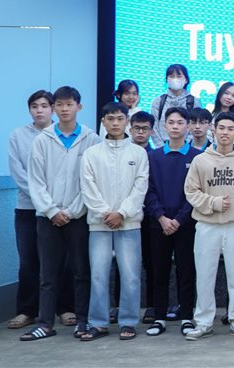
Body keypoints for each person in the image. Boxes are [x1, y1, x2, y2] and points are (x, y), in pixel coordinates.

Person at [21, 86, 100, 341]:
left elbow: (91, 181)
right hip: (47, 218)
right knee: (48, 273)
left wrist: (73, 210)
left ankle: (82, 320)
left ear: (79, 107)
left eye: (69, 104)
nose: (65, 109)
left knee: (81, 270)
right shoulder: (42, 140)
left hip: (79, 217)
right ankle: (45, 323)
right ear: (54, 108)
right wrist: (52, 210)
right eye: (60, 105)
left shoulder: (91, 139)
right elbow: (35, 181)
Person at [183, 111, 234, 340]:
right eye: (221, 128)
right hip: (207, 224)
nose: (225, 133)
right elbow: (190, 191)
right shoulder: (200, 160)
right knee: (205, 275)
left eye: (230, 129)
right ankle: (203, 321)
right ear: (213, 130)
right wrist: (213, 203)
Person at [79, 102, 149, 341]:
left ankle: (128, 321)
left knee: (130, 275)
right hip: (99, 224)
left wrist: (122, 213)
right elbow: (87, 187)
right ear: (103, 122)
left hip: (129, 222)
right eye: (111, 119)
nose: (116, 123)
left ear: (127, 121)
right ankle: (98, 323)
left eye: (120, 118)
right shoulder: (92, 154)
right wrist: (105, 213)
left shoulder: (138, 153)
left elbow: (140, 187)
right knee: (99, 274)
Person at [8, 90, 74, 331]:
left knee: (62, 261)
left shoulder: (61, 134)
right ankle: (27, 311)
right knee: (29, 260)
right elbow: (19, 174)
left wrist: (53, 206)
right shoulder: (18, 136)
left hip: (59, 209)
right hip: (28, 208)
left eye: (44, 105)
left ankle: (65, 308)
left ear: (52, 109)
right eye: (35, 106)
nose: (39, 110)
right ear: (29, 110)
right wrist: (43, 202)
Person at [144, 107, 201, 337]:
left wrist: (179, 219)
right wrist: (161, 217)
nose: (175, 126)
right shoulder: (153, 156)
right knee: (159, 271)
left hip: (186, 224)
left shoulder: (196, 157)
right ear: (164, 126)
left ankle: (187, 317)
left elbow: (196, 192)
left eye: (180, 122)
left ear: (188, 126)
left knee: (186, 271)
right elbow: (148, 191)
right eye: (171, 122)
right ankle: (159, 318)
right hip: (158, 224)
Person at [150, 64, 202, 146]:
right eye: (171, 76)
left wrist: (186, 146)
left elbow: (196, 125)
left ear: (186, 80)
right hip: (163, 147)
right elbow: (154, 127)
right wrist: (162, 148)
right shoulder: (158, 101)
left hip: (186, 147)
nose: (175, 79)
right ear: (167, 80)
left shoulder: (194, 101)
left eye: (179, 76)